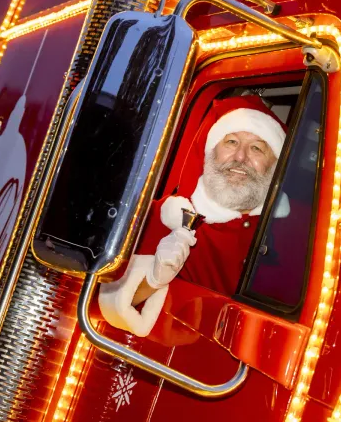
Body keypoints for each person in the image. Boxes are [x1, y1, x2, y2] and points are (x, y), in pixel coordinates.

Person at [99, 95, 290, 337]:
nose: (240, 158)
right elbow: (98, 311)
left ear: (274, 165)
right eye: (231, 142)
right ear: (211, 152)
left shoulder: (294, 235)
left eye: (257, 148)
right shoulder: (157, 217)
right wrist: (153, 278)